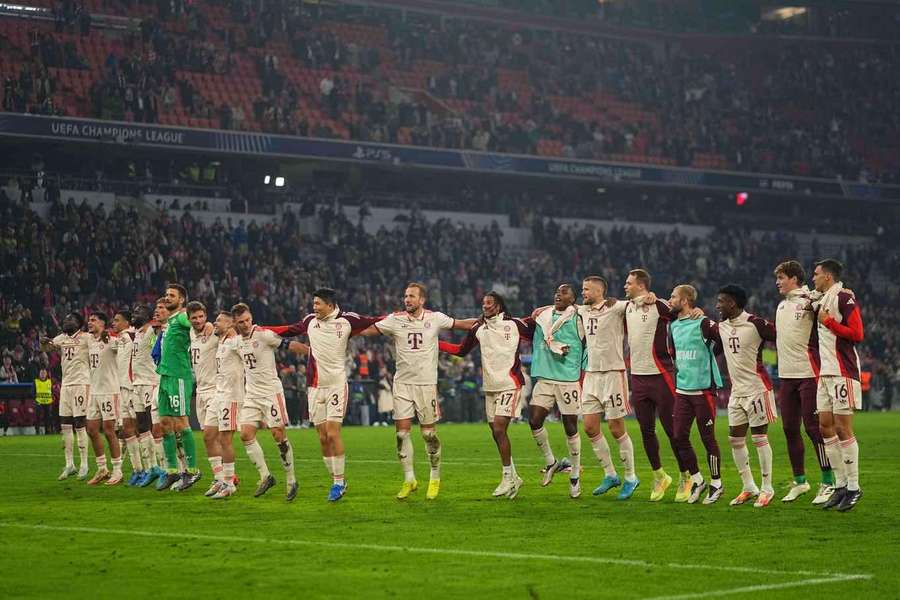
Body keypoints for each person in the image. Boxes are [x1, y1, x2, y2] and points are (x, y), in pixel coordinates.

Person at [358, 282, 475, 500]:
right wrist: (343, 329)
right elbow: (369, 330)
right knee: (402, 434)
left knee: (428, 434)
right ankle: (409, 479)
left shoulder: (435, 318)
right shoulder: (395, 319)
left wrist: (484, 322)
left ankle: (435, 476)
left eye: (412, 296)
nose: (407, 300)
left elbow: (461, 324)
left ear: (422, 300)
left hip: (426, 385)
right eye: (405, 296)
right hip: (402, 384)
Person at [267, 288, 380, 502]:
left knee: (333, 432)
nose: (314, 307)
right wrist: (262, 329)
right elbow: (289, 330)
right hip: (314, 386)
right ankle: (336, 479)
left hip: (336, 384)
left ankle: (338, 482)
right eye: (313, 303)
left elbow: (377, 320)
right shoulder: (310, 320)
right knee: (322, 436)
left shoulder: (347, 320)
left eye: (317, 303)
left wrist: (402, 318)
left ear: (329, 305)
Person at [439, 291, 533, 499]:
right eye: (483, 303)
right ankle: (514, 477)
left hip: (510, 383)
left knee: (499, 428)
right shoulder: (478, 328)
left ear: (499, 306)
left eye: (489, 303)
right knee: (496, 432)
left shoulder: (516, 324)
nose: (485, 306)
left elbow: (540, 329)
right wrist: (437, 344)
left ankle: (507, 477)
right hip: (490, 386)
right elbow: (462, 350)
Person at [622, 269, 691, 501]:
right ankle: (659, 475)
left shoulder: (659, 305)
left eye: (629, 283)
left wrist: (697, 311)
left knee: (673, 430)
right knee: (646, 430)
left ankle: (686, 475)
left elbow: (683, 311)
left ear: (641, 286)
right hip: (638, 377)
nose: (625, 286)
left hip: (661, 375)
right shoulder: (627, 307)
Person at [772, 260, 834, 504]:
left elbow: (834, 298)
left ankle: (828, 482)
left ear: (794, 279)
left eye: (781, 277)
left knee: (813, 428)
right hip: (786, 377)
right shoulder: (781, 305)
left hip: (809, 374)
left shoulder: (811, 299)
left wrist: (846, 291)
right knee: (789, 429)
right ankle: (800, 482)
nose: (777, 282)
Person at [710, 285, 778, 508]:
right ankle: (749, 486)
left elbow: (781, 336)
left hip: (757, 388)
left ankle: (767, 488)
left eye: (721, 301)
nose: (717, 305)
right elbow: (716, 349)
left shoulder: (755, 324)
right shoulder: (722, 327)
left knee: (759, 438)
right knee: (735, 439)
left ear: (732, 303)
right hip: (737, 392)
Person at [232, 303, 298, 501]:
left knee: (278, 434)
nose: (245, 324)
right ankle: (266, 476)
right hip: (251, 394)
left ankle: (291, 480)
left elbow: (289, 344)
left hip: (271, 393)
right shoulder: (236, 342)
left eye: (247, 320)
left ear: (251, 318)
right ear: (235, 323)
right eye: (241, 322)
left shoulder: (263, 334)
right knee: (245, 434)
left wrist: (313, 354)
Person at [813, 259, 865, 511]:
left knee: (843, 429)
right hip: (825, 373)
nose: (813, 278)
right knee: (825, 427)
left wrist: (828, 322)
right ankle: (841, 485)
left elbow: (857, 334)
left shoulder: (844, 298)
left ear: (828, 277)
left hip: (843, 372)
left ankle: (854, 487)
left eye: (816, 274)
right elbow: (802, 293)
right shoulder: (821, 297)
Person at [667, 285, 725, 504]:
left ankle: (717, 483)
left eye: (673, 297)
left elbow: (722, 340)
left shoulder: (703, 323)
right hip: (682, 390)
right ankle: (699, 480)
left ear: (685, 300)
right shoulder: (672, 326)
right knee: (679, 437)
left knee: (707, 438)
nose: (670, 300)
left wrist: (710, 354)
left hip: (703, 390)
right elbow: (674, 354)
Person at [528, 284, 586, 499]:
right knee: (534, 420)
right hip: (545, 378)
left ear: (573, 299)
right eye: (556, 292)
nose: (558, 294)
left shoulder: (579, 318)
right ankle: (552, 462)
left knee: (570, 427)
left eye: (564, 292)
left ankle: (575, 476)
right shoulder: (543, 317)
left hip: (568, 380)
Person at [154, 284, 201, 492]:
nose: (167, 298)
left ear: (181, 300)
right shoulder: (169, 321)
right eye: (166, 295)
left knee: (181, 422)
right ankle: (172, 471)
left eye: (171, 295)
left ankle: (192, 470)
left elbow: (195, 324)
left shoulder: (182, 317)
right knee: (164, 423)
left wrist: (204, 326)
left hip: (179, 376)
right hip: (164, 376)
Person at [41, 312, 91, 480]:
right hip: (66, 385)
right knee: (65, 425)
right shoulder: (61, 338)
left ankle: (84, 464)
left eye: (71, 319)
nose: (66, 321)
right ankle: (70, 464)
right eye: (66, 318)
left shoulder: (86, 337)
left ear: (79, 323)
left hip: (81, 384)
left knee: (80, 423)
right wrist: (43, 343)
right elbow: (47, 348)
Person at [208, 310, 244, 499]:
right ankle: (220, 478)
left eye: (218, 321)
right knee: (208, 435)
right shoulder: (221, 342)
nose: (214, 323)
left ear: (230, 324)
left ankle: (229, 483)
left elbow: (249, 359)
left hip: (231, 396)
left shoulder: (236, 341)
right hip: (218, 394)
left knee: (225, 439)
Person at [85, 311, 124, 486]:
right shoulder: (89, 340)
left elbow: (123, 347)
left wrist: (114, 337)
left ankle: (117, 470)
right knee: (91, 430)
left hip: (110, 391)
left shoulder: (110, 340)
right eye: (89, 320)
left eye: (93, 320)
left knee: (109, 431)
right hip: (94, 392)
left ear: (102, 323)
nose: (89, 322)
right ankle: (102, 468)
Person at [131, 304, 166, 487]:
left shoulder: (153, 331)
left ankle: (165, 469)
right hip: (136, 384)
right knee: (142, 427)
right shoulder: (136, 333)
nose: (134, 314)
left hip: (151, 383)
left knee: (156, 428)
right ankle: (152, 468)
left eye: (138, 312)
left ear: (147, 316)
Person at [187, 302, 220, 493]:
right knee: (211, 439)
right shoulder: (190, 333)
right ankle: (225, 477)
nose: (198, 320)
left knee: (210, 436)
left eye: (201, 317)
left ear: (206, 316)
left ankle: (221, 479)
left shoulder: (214, 332)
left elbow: (230, 327)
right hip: (200, 391)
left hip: (216, 391)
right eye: (194, 318)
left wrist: (212, 326)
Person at [110, 310, 143, 484]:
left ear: (127, 322)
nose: (113, 323)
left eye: (117, 320)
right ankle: (138, 470)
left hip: (133, 388)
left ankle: (156, 468)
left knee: (143, 430)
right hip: (121, 389)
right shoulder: (120, 339)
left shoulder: (132, 335)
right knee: (127, 430)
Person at [34, 368, 54, 435]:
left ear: (47, 374)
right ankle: (37, 431)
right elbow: (32, 392)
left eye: (44, 373)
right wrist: (35, 400)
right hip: (39, 402)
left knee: (48, 418)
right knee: (38, 417)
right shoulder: (35, 381)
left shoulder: (50, 381)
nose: (43, 375)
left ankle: (48, 431)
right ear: (39, 374)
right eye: (41, 373)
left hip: (48, 402)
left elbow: (52, 391)